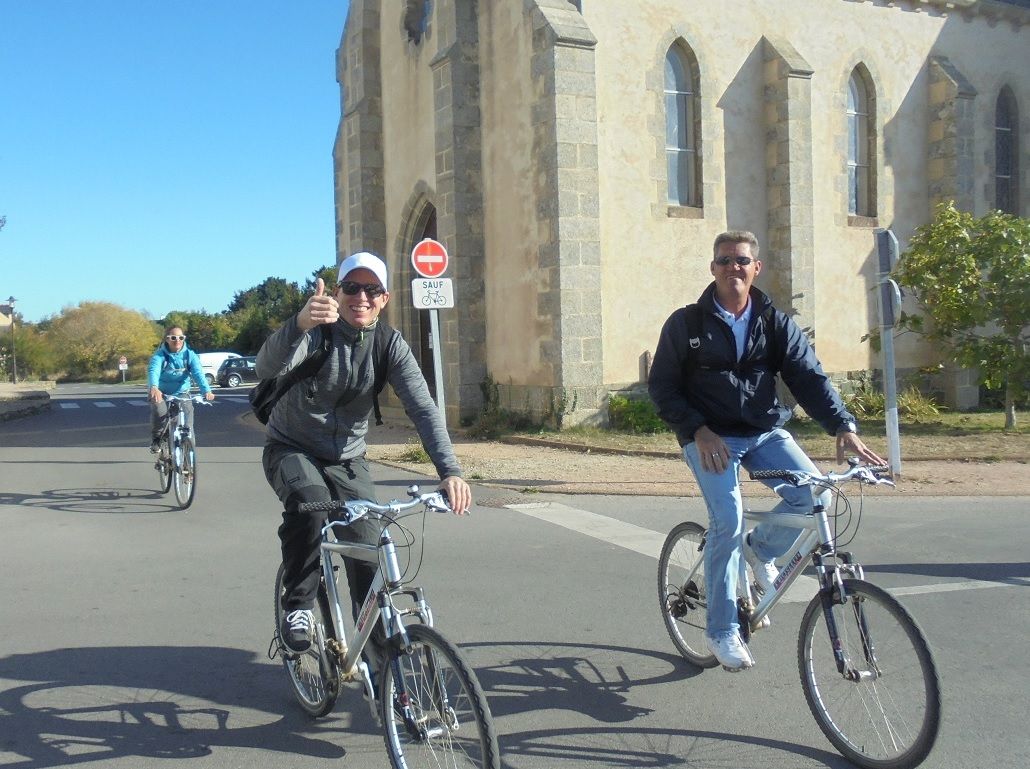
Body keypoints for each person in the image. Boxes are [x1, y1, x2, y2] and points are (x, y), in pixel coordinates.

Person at [648, 230, 885, 671]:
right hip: (709, 437)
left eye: (741, 260)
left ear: (756, 268)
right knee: (728, 521)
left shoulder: (774, 322)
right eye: (723, 261)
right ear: (712, 269)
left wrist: (842, 426)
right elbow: (662, 387)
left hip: (763, 432)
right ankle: (722, 631)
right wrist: (697, 430)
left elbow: (809, 377)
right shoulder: (686, 324)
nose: (732, 268)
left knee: (816, 494)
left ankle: (761, 552)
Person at [257, 251, 472, 663]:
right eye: (351, 288)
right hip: (291, 448)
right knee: (310, 506)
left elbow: (424, 409)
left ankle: (377, 657)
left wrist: (450, 471)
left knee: (369, 546)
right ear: (337, 293)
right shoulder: (316, 332)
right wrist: (300, 323)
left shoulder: (389, 345)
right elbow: (268, 365)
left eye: (371, 289)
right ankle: (299, 606)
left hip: (349, 459)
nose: (361, 297)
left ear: (384, 298)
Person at [147, 326, 215, 452]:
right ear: (167, 339)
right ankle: (157, 439)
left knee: (188, 422)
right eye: (173, 338)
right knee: (160, 412)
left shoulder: (190, 355)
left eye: (180, 337)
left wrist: (206, 390)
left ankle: (189, 455)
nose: (177, 340)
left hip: (182, 392)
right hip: (162, 392)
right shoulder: (160, 356)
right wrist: (154, 387)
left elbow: (198, 373)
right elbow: (153, 371)